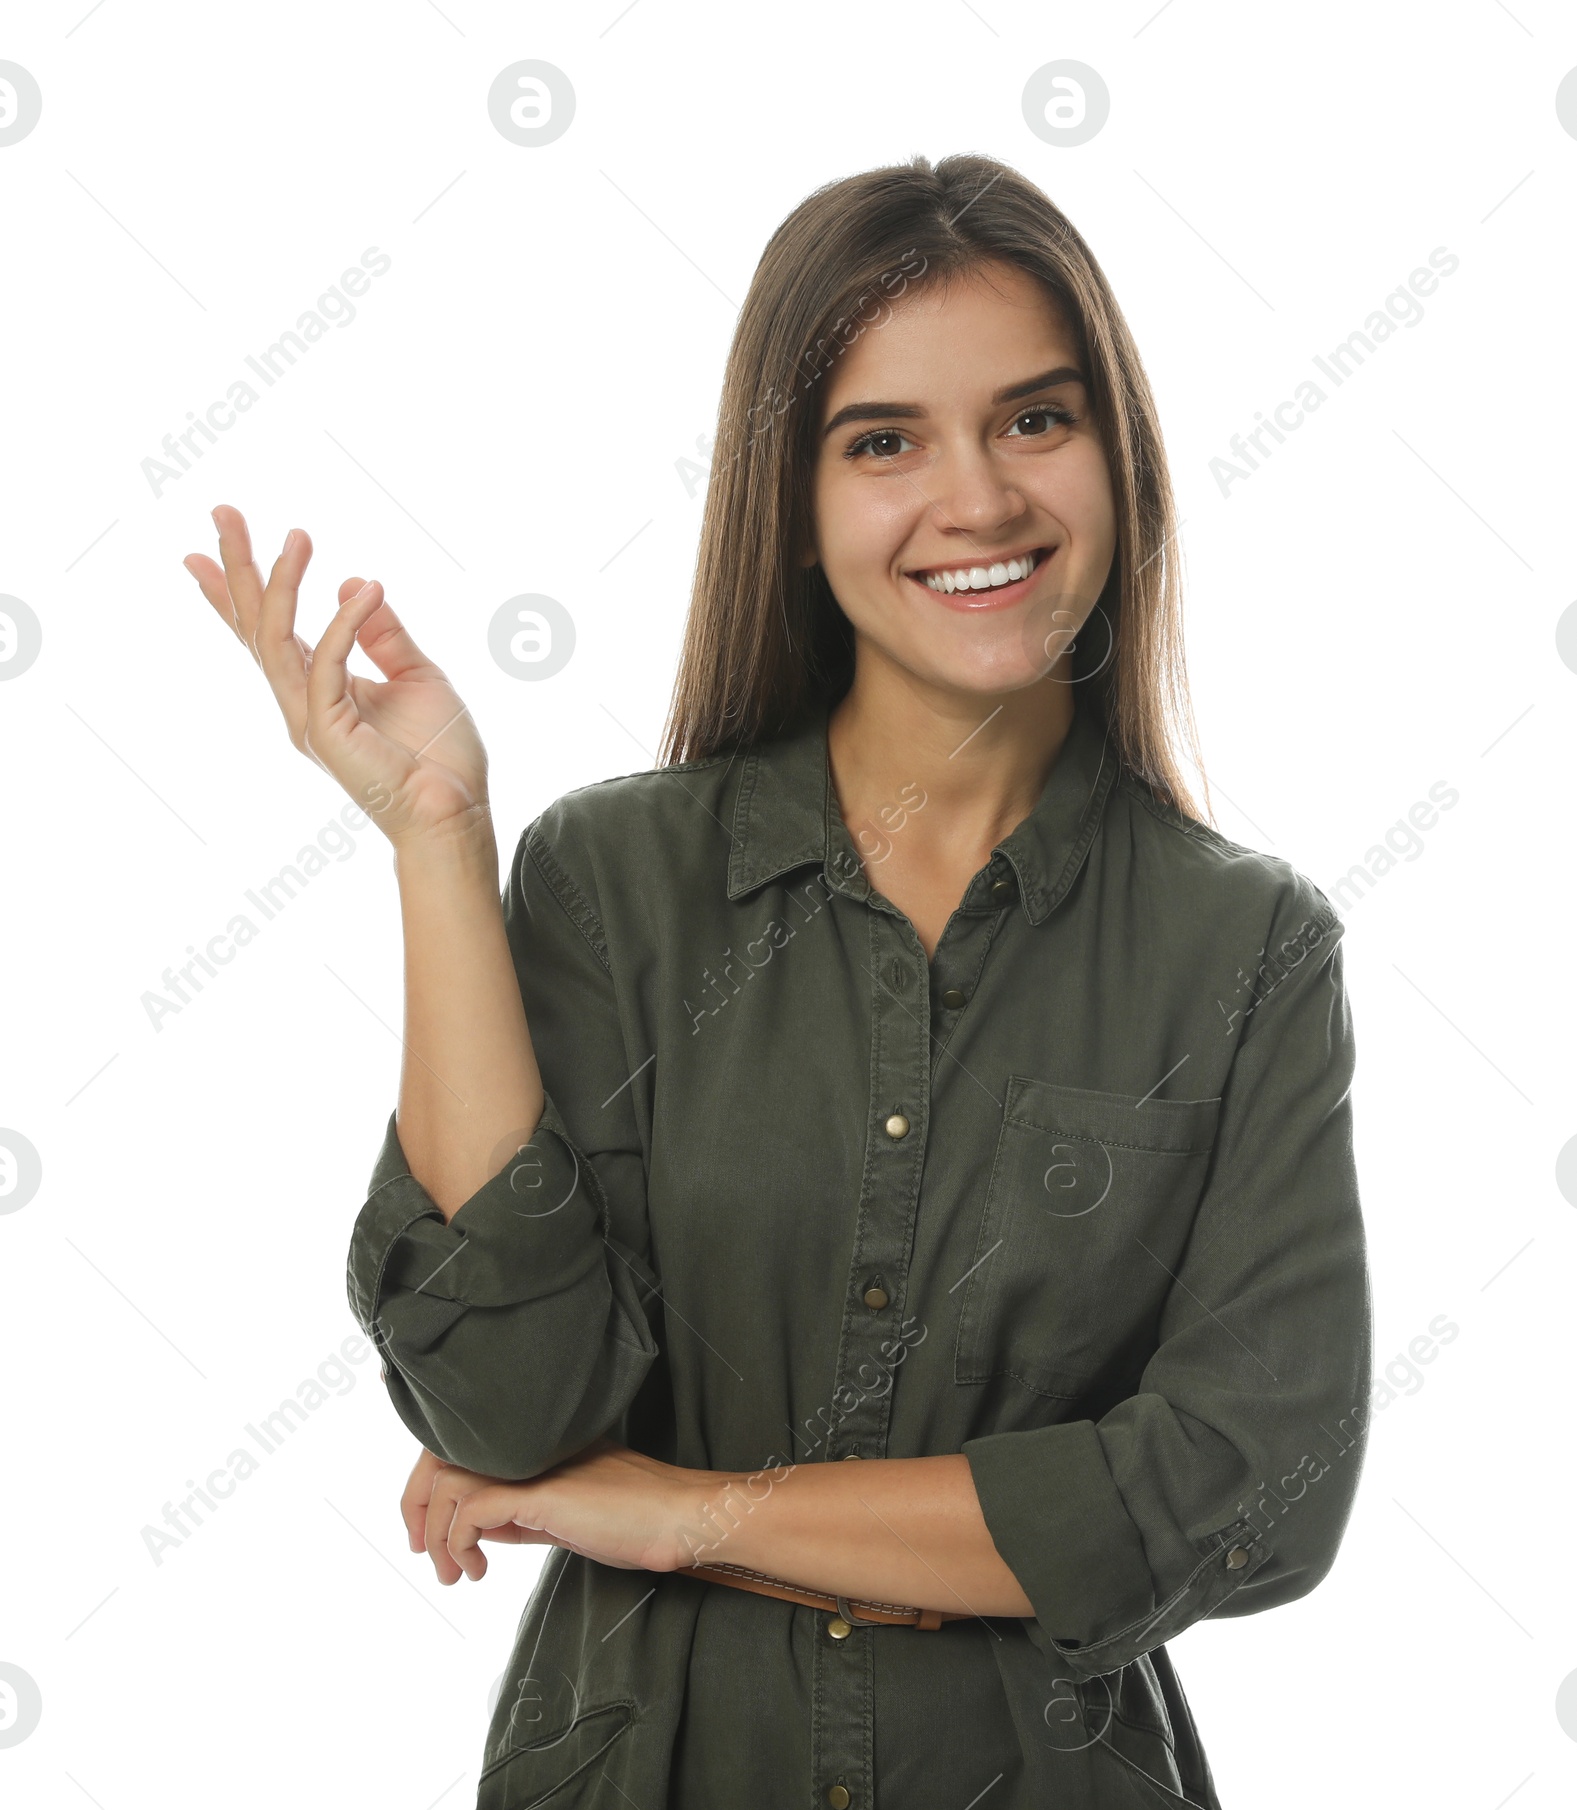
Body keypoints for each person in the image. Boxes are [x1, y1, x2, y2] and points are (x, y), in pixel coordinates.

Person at [184, 152, 1372, 1810]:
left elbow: (1253, 1490)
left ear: (1122, 455)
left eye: (1036, 418)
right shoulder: (613, 886)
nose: (980, 498)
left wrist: (686, 1512)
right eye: (884, 440)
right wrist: (439, 846)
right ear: (795, 508)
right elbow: (514, 1409)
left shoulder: (1246, 952)